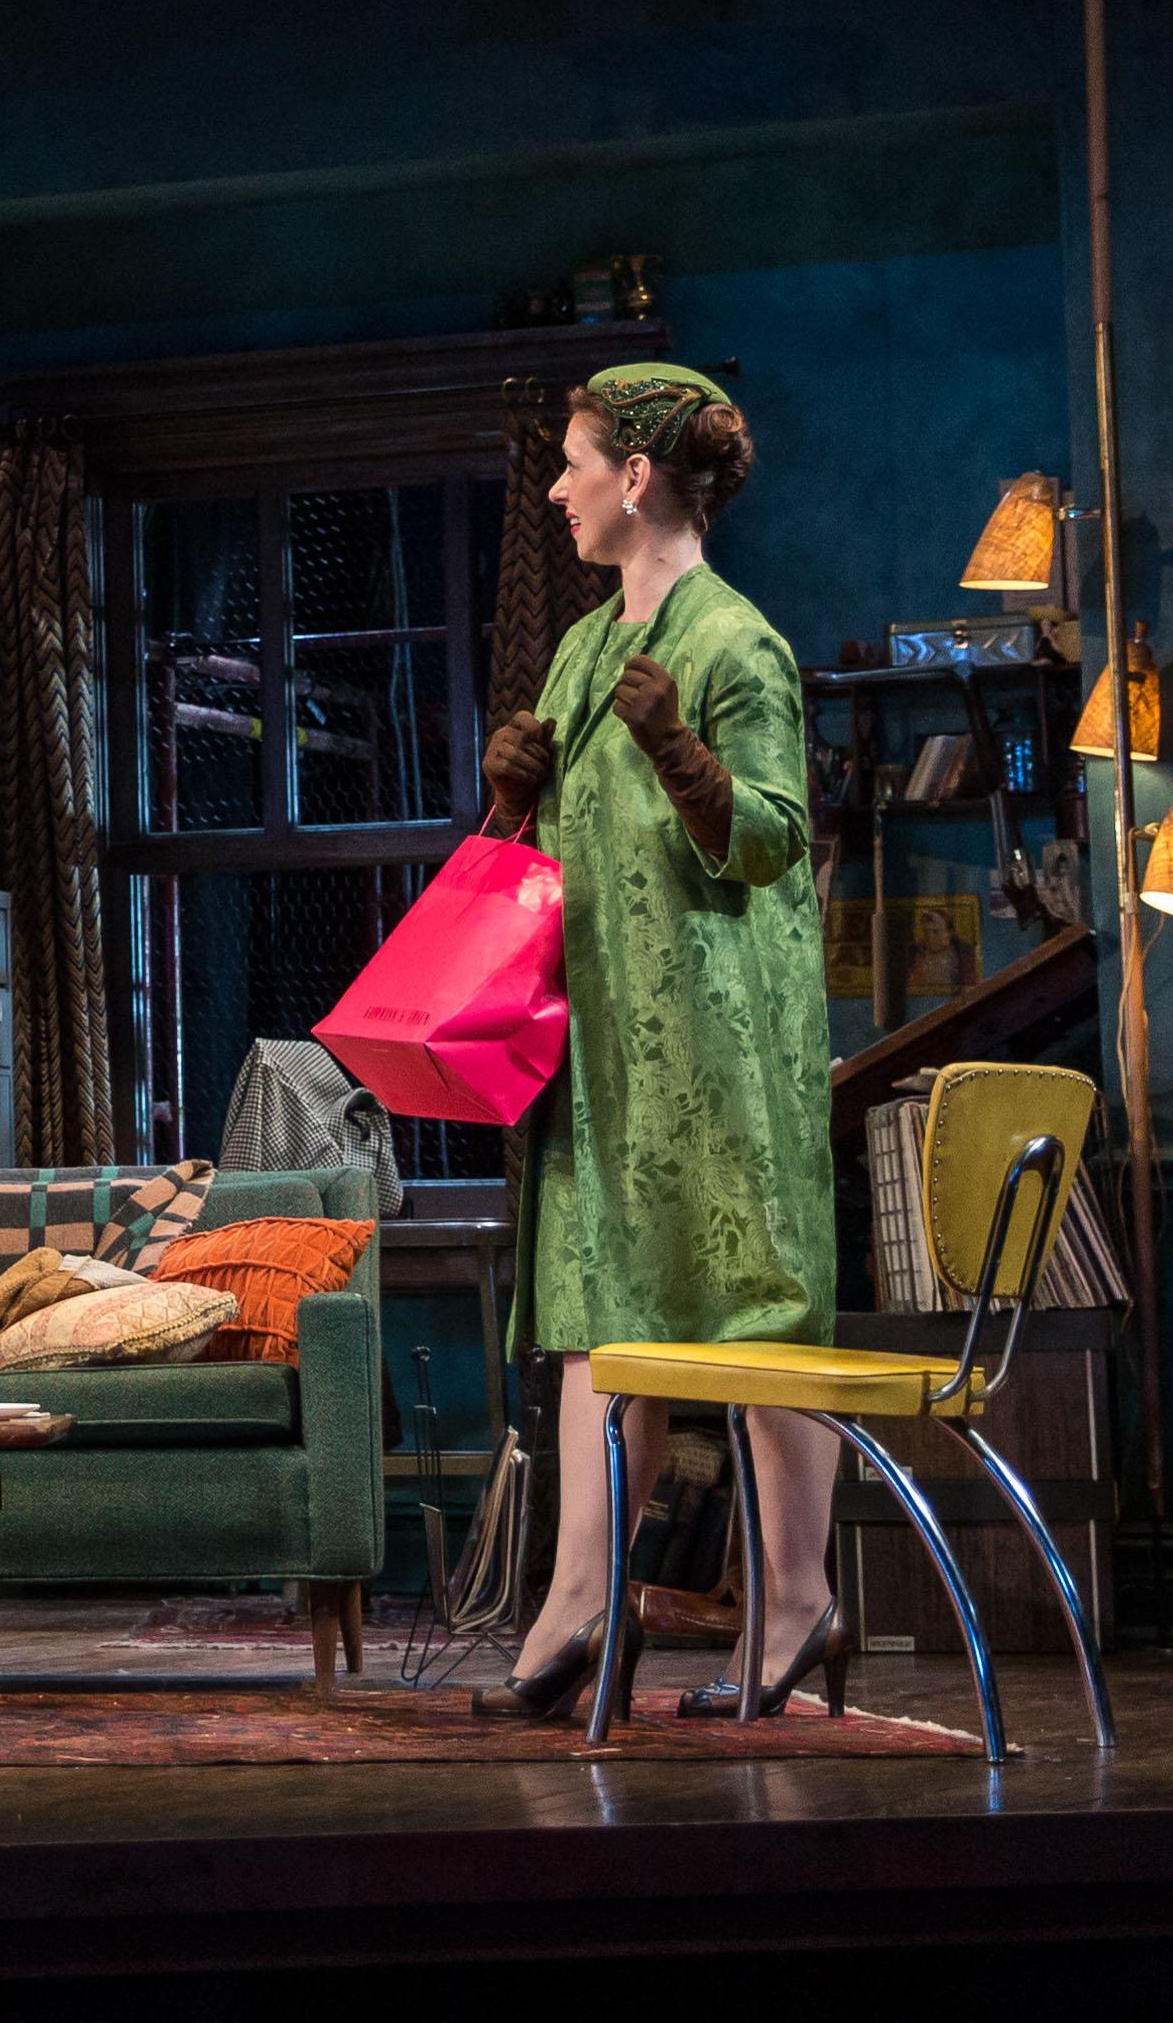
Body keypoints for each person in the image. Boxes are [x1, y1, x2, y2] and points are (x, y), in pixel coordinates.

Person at [473, 362, 840, 1726]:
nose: (559, 487)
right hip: (606, 1036)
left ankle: (796, 1594)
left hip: (723, 1040)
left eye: (574, 462)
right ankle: (578, 1599)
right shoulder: (578, 650)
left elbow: (774, 837)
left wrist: (684, 752)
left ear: (635, 476)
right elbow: (545, 854)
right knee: (592, 1313)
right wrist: (514, 799)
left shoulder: (737, 643)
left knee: (750, 1314)